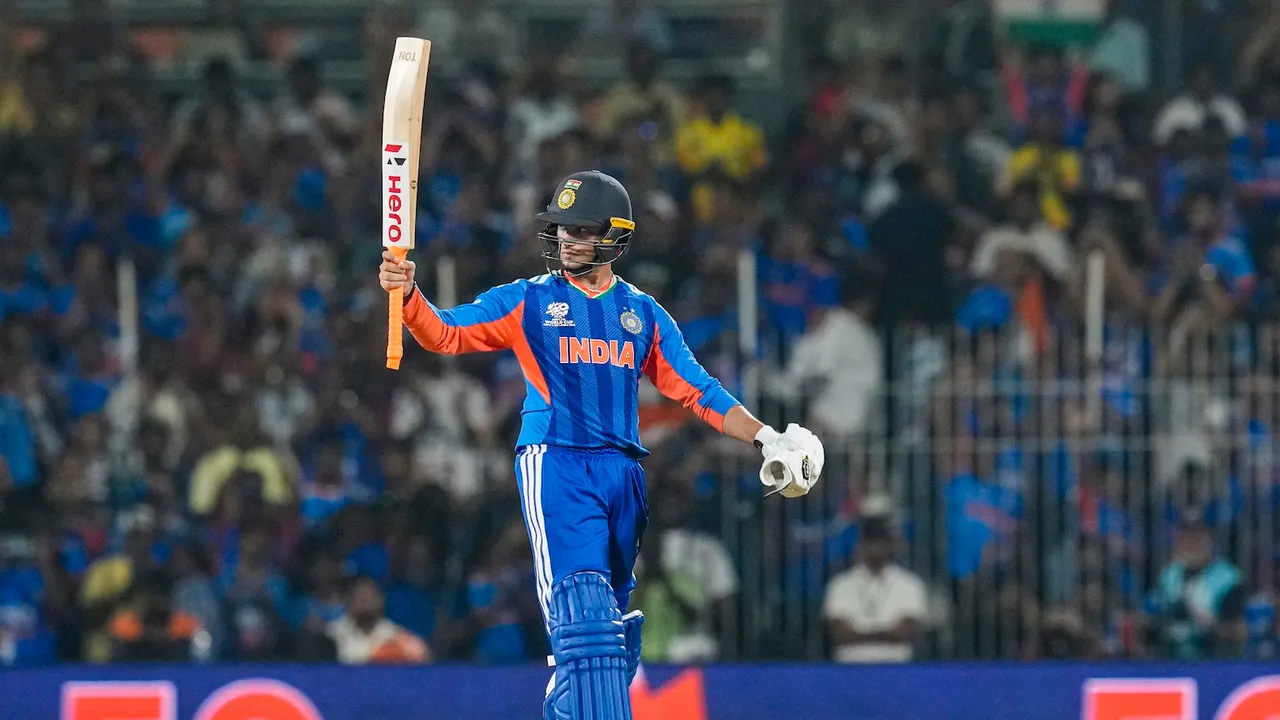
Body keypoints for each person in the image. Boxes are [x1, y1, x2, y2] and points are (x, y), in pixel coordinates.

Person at [379, 170, 824, 719]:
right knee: (584, 620)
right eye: (561, 228)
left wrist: (765, 436)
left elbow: (698, 390)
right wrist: (409, 294)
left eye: (581, 229)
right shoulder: (527, 300)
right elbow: (445, 333)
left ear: (614, 236)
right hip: (558, 464)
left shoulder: (643, 314)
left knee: (606, 637)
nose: (566, 239)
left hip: (624, 476)